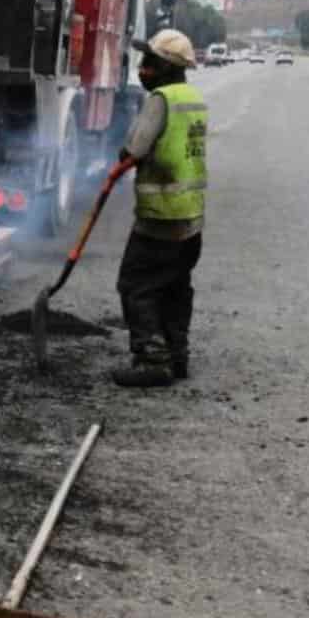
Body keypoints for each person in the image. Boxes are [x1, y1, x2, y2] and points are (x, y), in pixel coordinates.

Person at [113, 28, 207, 388]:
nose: (143, 69)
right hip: (191, 217)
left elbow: (135, 149)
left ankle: (152, 359)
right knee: (175, 286)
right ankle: (177, 355)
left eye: (150, 62)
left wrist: (122, 158)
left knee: (136, 285)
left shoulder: (161, 99)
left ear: (167, 66)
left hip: (161, 215)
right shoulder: (193, 98)